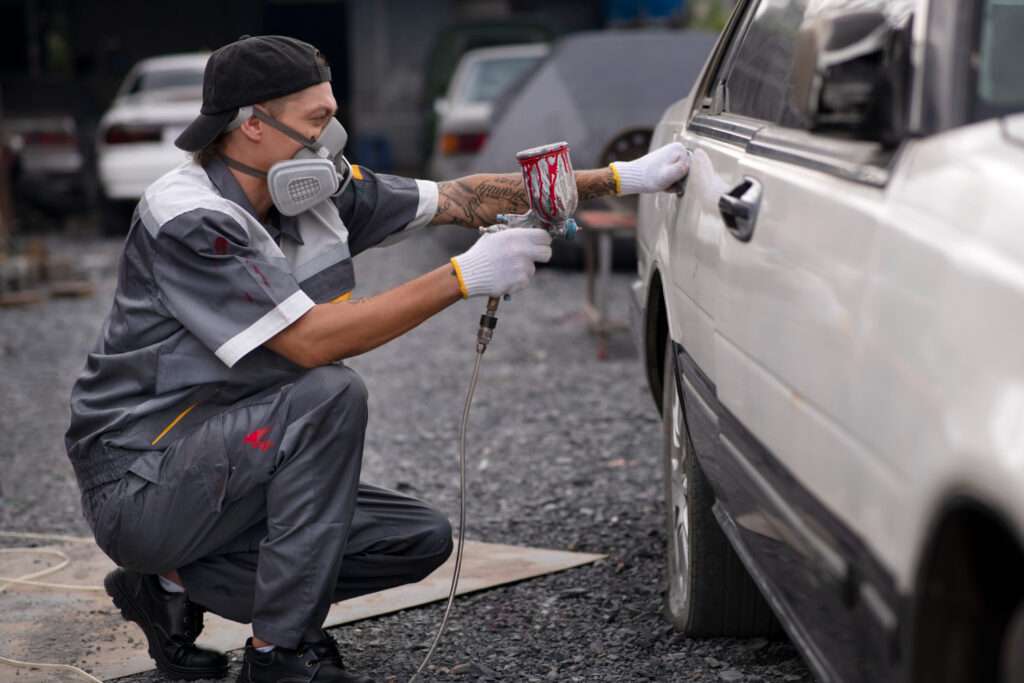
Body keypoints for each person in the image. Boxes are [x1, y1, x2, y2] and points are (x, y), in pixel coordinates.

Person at [65, 35, 690, 683]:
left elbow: (461, 197)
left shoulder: (309, 190)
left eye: (331, 115)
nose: (328, 136)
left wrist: (624, 178)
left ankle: (169, 588)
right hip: (143, 477)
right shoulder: (194, 217)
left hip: (237, 457)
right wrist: (461, 277)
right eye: (313, 121)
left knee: (415, 538)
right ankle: (279, 653)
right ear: (251, 126)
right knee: (328, 393)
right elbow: (309, 341)